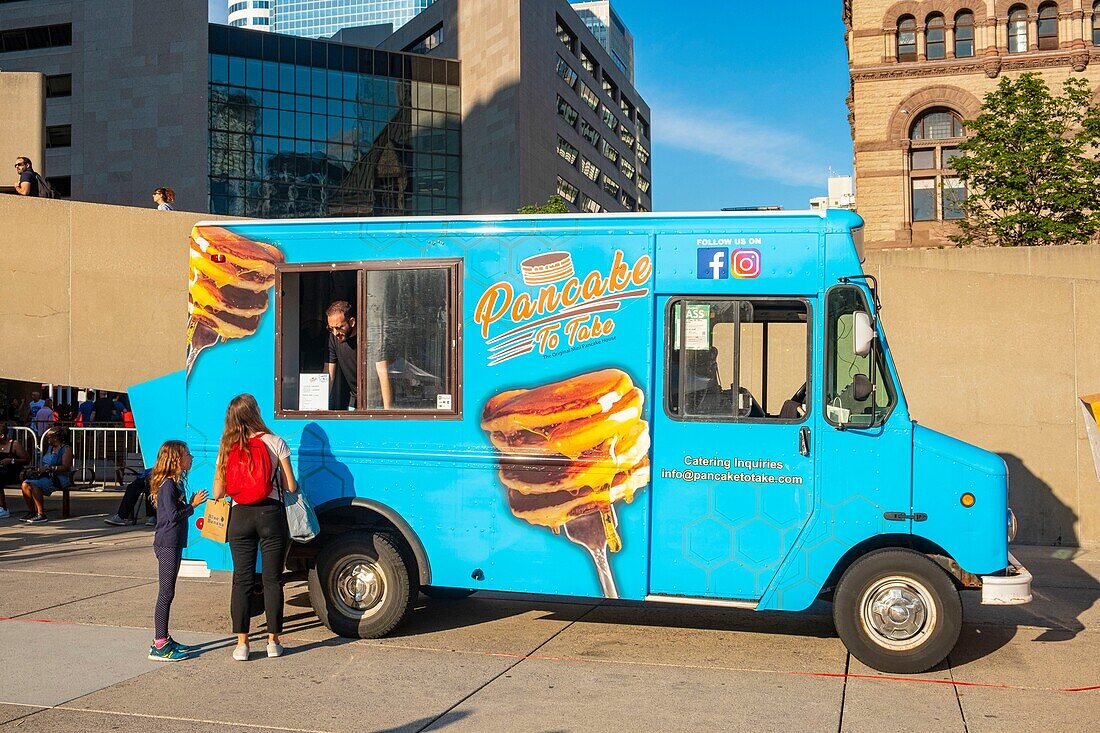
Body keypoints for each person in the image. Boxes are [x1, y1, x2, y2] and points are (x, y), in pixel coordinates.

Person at [211, 394, 297, 660]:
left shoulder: (227, 446)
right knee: (272, 580)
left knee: (242, 580)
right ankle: (273, 642)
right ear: (256, 413)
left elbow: (218, 492)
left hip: (239, 517)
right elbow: (290, 486)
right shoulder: (275, 442)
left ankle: (242, 645)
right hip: (270, 516)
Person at [146, 440, 207, 662]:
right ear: (175, 459)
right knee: (166, 593)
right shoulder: (168, 485)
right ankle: (159, 643)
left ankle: (164, 637)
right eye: (187, 455)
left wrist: (188, 503)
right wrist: (193, 506)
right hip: (167, 544)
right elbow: (171, 516)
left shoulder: (175, 484)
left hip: (174, 542)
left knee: (169, 592)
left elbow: (173, 511)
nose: (191, 457)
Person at [20, 426, 73, 523]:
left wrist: (50, 468)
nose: (48, 439)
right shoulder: (50, 448)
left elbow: (66, 467)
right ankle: (32, 511)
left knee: (35, 484)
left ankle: (41, 514)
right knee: (25, 484)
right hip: (47, 475)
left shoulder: (66, 449)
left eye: (49, 437)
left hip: (59, 477)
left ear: (56, 438)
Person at [324, 301, 359, 410]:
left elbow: (382, 373)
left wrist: (387, 412)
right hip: (355, 397)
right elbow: (328, 375)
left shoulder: (368, 338)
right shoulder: (333, 338)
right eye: (331, 328)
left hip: (376, 400)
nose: (335, 333)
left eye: (339, 327)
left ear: (352, 322)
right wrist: (320, 405)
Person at [0, 429, 31, 519]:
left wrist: (11, 460)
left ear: (2, 435)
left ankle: (3, 508)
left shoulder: (14, 444)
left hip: (14, 472)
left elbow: (27, 460)